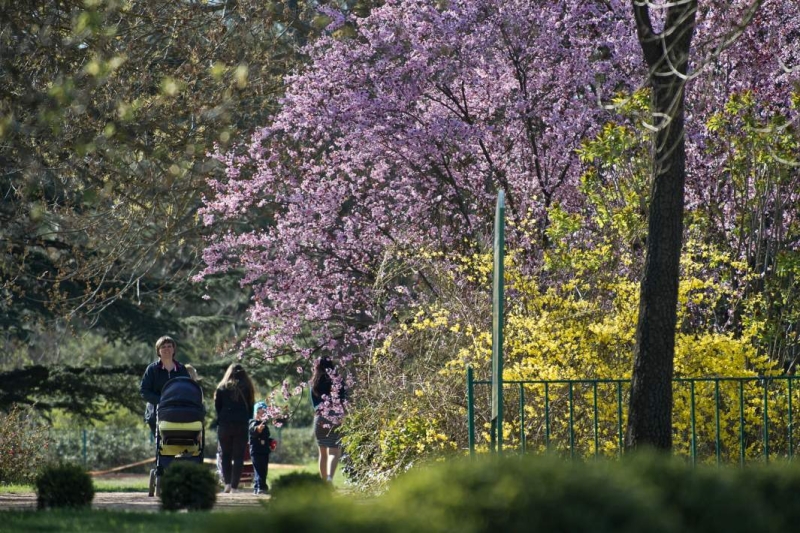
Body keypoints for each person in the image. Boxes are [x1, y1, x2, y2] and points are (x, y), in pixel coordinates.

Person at [215, 363, 255, 493]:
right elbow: (250, 408)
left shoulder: (221, 388)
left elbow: (218, 408)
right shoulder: (248, 388)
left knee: (225, 455)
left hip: (225, 424)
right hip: (241, 424)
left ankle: (226, 484)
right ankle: (234, 486)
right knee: (238, 457)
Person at [140, 335, 190, 437]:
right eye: (163, 347)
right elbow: (144, 391)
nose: (166, 349)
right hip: (157, 411)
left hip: (178, 410)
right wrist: (161, 400)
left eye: (169, 346)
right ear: (158, 351)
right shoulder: (152, 369)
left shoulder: (181, 369)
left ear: (174, 349)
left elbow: (188, 388)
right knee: (162, 444)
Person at [310, 356, 346, 484]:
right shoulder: (338, 381)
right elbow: (343, 400)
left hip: (319, 418)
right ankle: (330, 478)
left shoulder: (314, 382)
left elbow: (314, 404)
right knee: (334, 451)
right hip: (335, 416)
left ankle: (324, 482)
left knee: (322, 452)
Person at [248, 401, 276, 495]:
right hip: (256, 451)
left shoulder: (265, 426)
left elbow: (266, 437)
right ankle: (261, 487)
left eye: (263, 413)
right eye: (259, 412)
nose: (261, 415)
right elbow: (253, 430)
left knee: (263, 469)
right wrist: (257, 429)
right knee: (259, 469)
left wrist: (271, 442)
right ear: (255, 413)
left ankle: (257, 486)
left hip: (264, 450)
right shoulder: (253, 423)